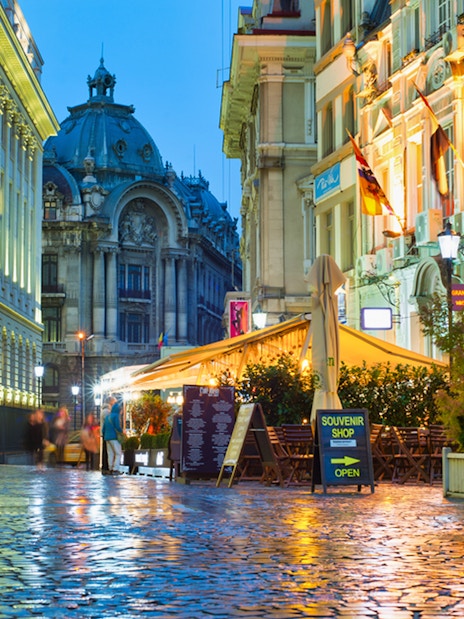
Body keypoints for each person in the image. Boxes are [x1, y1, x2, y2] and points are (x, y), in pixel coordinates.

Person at [101, 397, 124, 475]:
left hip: (107, 437)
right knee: (118, 453)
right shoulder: (115, 416)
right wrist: (122, 432)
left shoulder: (108, 416)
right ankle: (116, 468)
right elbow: (117, 426)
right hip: (114, 437)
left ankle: (110, 468)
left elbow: (103, 428)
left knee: (110, 453)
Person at [100, 395, 116, 474]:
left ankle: (106, 467)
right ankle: (107, 467)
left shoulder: (106, 410)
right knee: (108, 451)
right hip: (108, 434)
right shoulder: (107, 411)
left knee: (107, 451)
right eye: (114, 402)